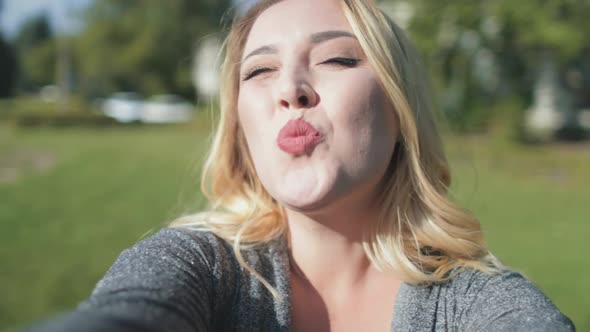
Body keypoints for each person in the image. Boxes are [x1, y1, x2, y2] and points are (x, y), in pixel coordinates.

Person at [31, 0, 575, 331]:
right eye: (260, 71)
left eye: (336, 58)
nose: (290, 90)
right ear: (241, 126)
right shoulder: (197, 267)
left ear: (399, 103)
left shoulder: (479, 302)